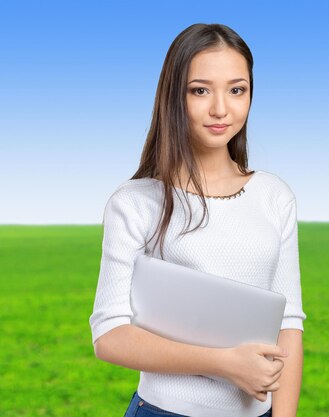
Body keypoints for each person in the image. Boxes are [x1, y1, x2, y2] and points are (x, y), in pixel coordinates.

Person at [89, 23, 306, 417]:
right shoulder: (137, 202)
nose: (221, 108)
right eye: (200, 90)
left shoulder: (274, 196)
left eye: (237, 89)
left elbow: (289, 324)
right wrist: (224, 363)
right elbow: (109, 335)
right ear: (174, 96)